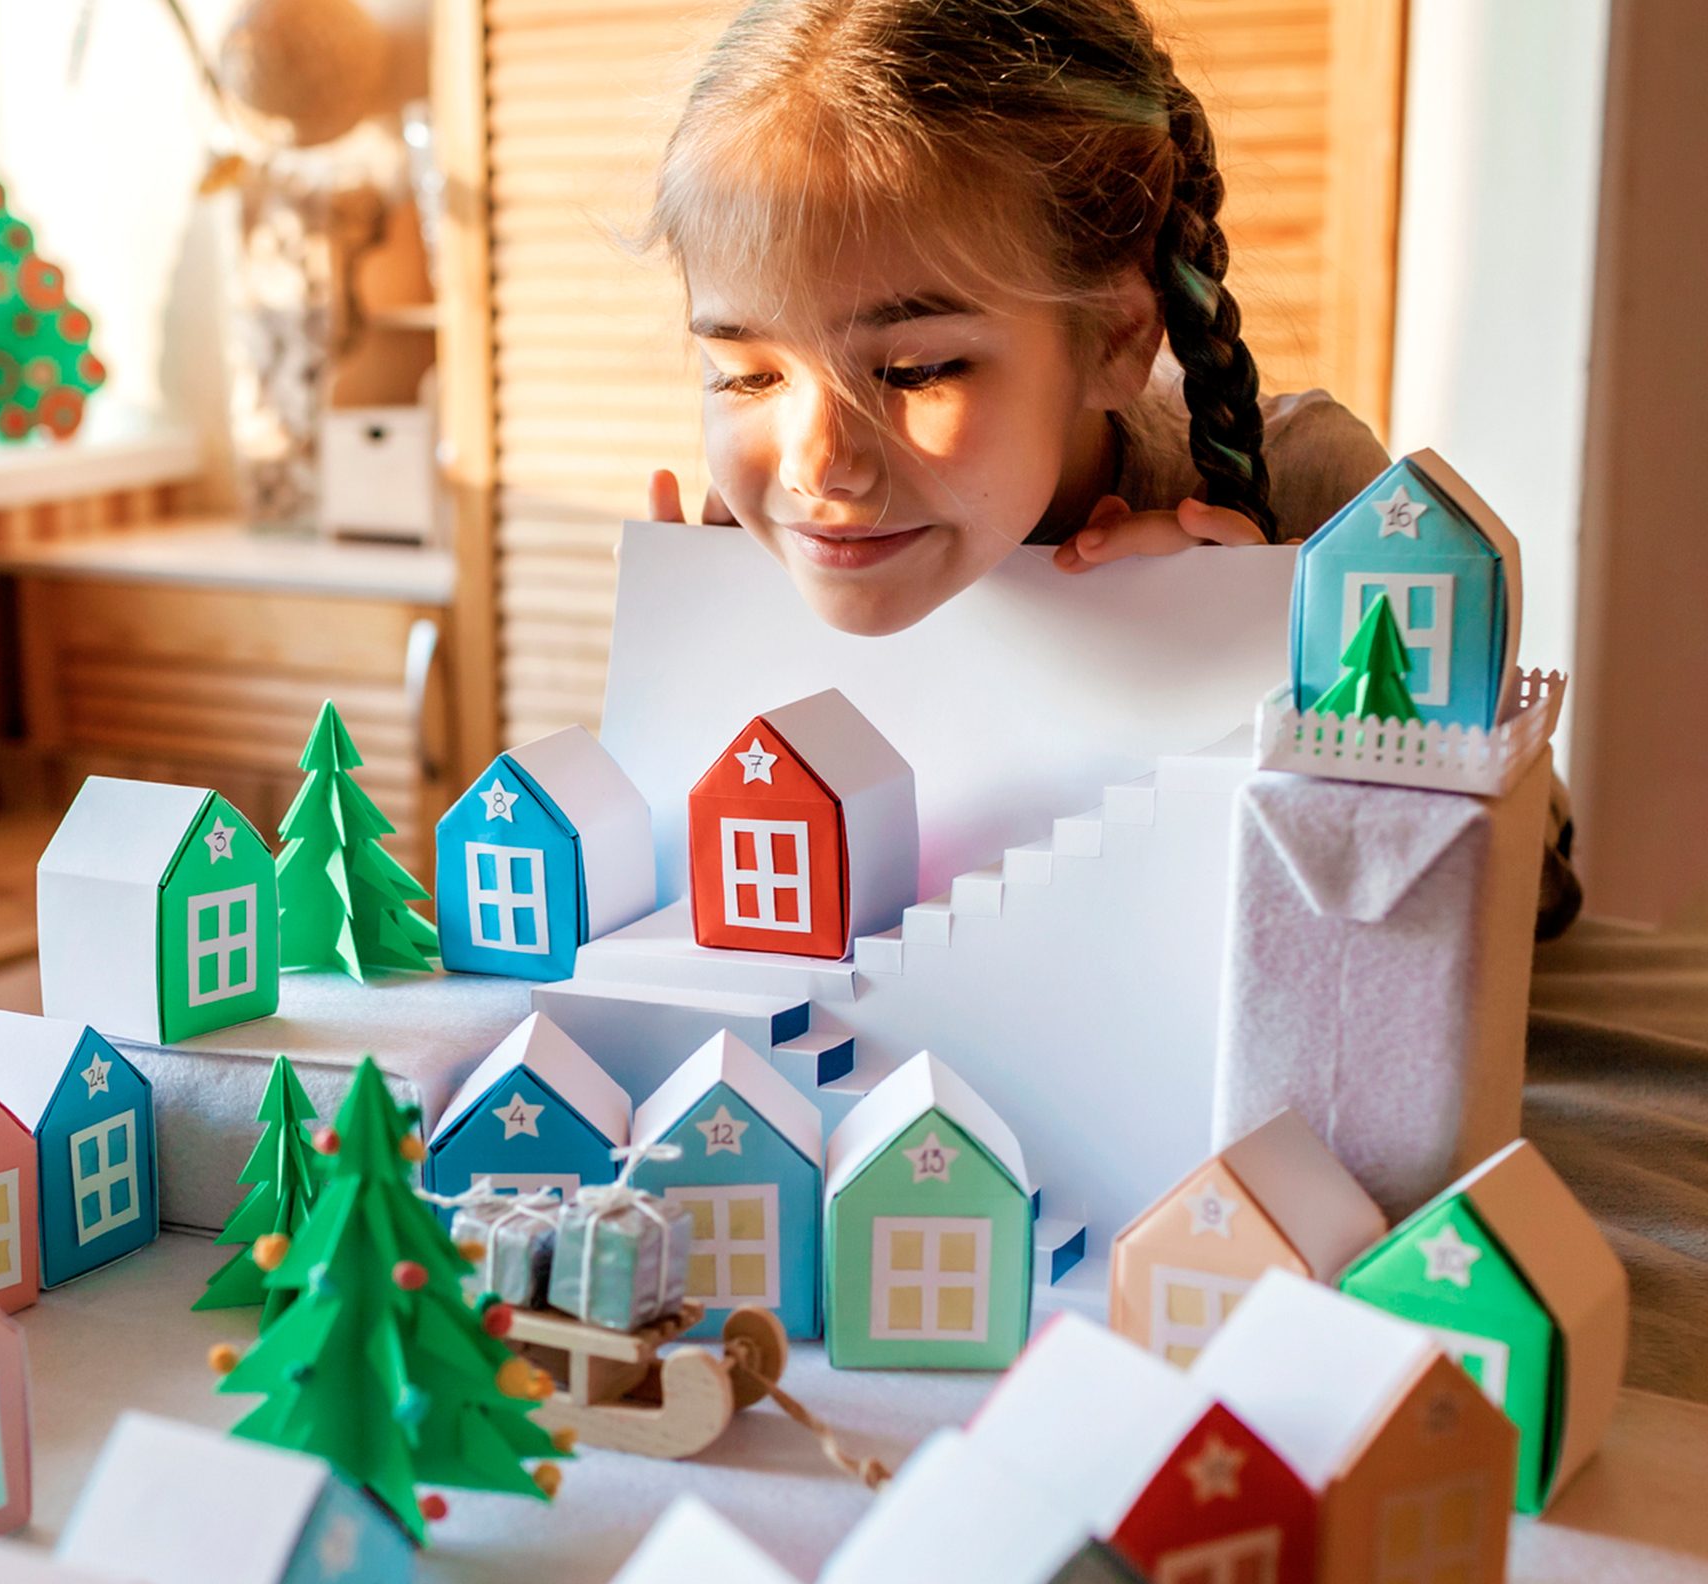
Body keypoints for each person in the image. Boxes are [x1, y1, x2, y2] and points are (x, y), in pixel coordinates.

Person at [635, 0, 1579, 931]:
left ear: (1120, 337)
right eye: (746, 376)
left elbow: (1530, 895)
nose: (818, 466)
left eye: (917, 369)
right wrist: (706, 670)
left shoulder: (1319, 499)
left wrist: (1275, 657)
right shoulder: (778, 543)